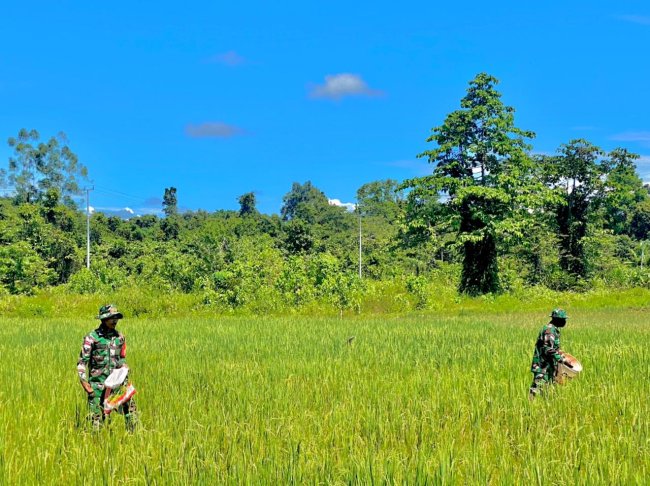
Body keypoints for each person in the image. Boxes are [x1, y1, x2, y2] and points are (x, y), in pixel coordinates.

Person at [77, 304, 137, 430]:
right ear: (103, 319)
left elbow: (121, 358)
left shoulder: (120, 338)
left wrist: (124, 366)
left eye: (116, 317)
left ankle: (133, 438)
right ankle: (98, 445)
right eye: (111, 317)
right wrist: (84, 382)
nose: (114, 320)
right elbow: (82, 362)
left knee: (131, 411)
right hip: (98, 386)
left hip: (118, 383)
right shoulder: (92, 338)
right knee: (97, 420)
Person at [529, 308, 573, 399]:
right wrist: (561, 359)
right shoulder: (549, 331)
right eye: (563, 319)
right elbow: (547, 348)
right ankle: (530, 407)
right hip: (542, 366)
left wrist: (559, 352)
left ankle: (546, 407)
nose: (564, 321)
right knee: (537, 388)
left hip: (548, 366)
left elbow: (552, 347)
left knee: (548, 389)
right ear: (557, 320)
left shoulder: (554, 330)